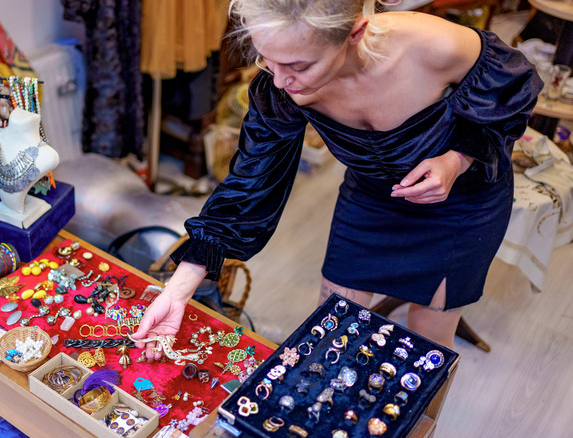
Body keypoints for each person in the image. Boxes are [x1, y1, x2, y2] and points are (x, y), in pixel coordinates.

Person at [133, 0, 542, 360]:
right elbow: (249, 185)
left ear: (356, 32)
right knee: (329, 334)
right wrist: (179, 289)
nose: (279, 81)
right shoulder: (281, 88)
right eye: (265, 60)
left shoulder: (434, 46)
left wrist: (457, 159)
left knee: (427, 348)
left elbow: (513, 88)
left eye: (298, 65)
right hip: (370, 199)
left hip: (460, 206)